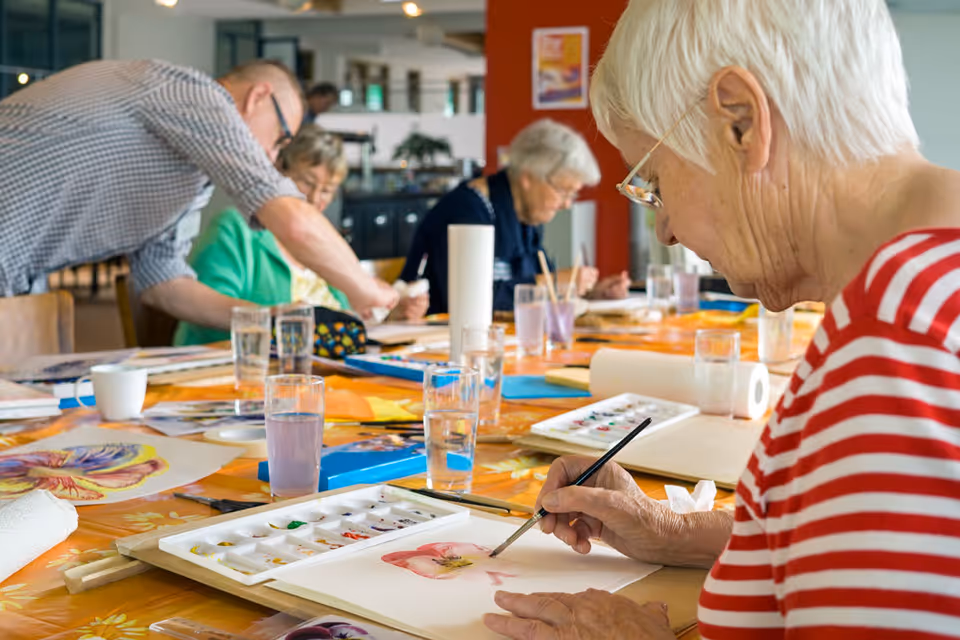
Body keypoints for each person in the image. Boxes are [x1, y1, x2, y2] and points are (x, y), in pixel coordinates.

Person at [483, 1, 960, 638]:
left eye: (653, 180)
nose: (667, 228)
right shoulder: (920, 292)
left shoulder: (896, 353)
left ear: (740, 121)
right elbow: (845, 532)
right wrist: (673, 532)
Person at [0, 59, 397, 328]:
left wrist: (269, 319)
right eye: (279, 140)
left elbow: (165, 284)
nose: (270, 157)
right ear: (258, 97)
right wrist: (365, 289)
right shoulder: (196, 94)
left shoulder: (189, 176)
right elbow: (292, 221)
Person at [175, 125, 428, 346]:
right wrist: (277, 317)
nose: (316, 198)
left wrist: (391, 318)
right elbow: (203, 319)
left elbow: (345, 320)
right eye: (306, 182)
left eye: (327, 190)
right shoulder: (235, 229)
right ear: (279, 171)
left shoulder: (323, 244)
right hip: (235, 375)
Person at [399, 119, 631, 315]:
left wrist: (592, 291)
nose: (567, 204)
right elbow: (468, 302)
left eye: (573, 194)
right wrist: (551, 284)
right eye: (563, 191)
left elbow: (540, 280)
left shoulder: (528, 216)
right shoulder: (466, 211)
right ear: (528, 178)